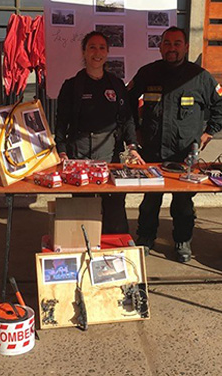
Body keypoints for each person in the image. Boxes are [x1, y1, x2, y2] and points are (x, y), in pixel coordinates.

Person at [127, 27, 222, 262]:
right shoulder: (147, 73)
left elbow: (221, 104)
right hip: (152, 150)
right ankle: (145, 238)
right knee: (149, 202)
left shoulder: (200, 77)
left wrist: (208, 133)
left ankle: (182, 242)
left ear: (185, 47)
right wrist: (137, 131)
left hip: (185, 154)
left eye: (177, 43)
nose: (172, 48)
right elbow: (127, 102)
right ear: (160, 46)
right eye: (167, 43)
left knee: (183, 204)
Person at [54, 31, 144, 234]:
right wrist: (61, 151)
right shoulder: (71, 86)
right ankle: (83, 245)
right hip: (79, 153)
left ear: (108, 52)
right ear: (84, 52)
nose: (97, 52)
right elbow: (61, 123)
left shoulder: (117, 85)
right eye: (92, 47)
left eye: (102, 48)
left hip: (110, 154)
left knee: (114, 204)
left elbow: (128, 119)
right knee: (82, 206)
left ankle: (115, 248)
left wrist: (132, 147)